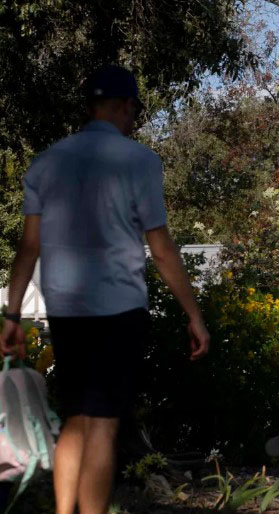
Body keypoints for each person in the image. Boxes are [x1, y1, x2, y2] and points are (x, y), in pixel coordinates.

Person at [0, 65, 210, 514]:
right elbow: (161, 248)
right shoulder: (139, 161)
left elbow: (29, 246)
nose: (134, 117)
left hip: (66, 307)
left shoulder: (46, 162)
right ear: (122, 105)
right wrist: (193, 314)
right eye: (133, 107)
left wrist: (12, 314)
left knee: (76, 418)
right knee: (104, 424)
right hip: (119, 308)